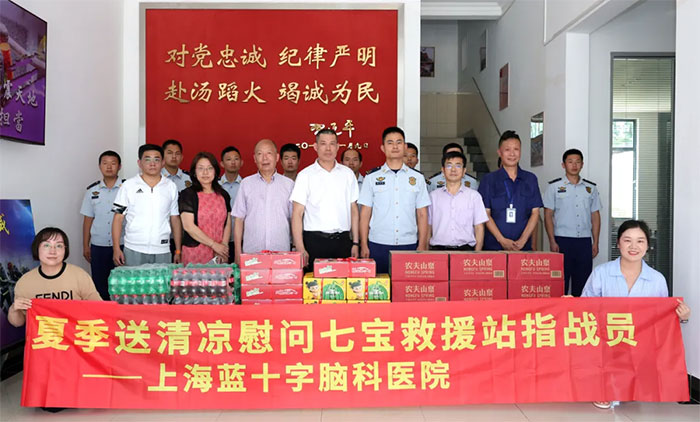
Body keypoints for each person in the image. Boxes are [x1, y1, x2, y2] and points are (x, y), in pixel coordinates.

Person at [580, 219, 691, 409]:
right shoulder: (601, 273)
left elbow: (663, 321)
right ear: (618, 243)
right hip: (607, 343)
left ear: (647, 245)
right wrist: (570, 304)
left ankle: (631, 386)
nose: (633, 246)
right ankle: (605, 386)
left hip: (640, 346)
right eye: (627, 240)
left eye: (640, 241)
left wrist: (682, 317)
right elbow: (584, 310)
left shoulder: (657, 280)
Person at [359, 126, 430, 273]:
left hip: (409, 244)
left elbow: (422, 214)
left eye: (399, 142)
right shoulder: (371, 178)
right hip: (378, 243)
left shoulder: (417, 178)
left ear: (405, 147)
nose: (395, 146)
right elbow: (365, 214)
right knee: (379, 286)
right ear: (383, 148)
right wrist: (364, 244)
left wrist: (422, 244)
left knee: (407, 285)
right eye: (390, 143)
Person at [290, 128, 360, 270]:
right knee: (314, 283)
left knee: (342, 282)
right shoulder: (305, 175)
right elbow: (297, 214)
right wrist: (300, 247)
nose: (328, 149)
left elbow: (353, 210)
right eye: (323, 144)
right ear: (315, 147)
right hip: (314, 242)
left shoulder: (347, 174)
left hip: (342, 241)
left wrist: (355, 243)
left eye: (332, 144)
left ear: (338, 147)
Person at [9, 227, 102, 328]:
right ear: (37, 248)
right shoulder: (25, 282)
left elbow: (99, 309)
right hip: (44, 336)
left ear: (65, 250)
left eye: (59, 246)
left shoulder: (79, 276)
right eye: (46, 245)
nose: (52, 251)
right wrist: (14, 309)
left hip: (75, 334)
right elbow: (18, 323)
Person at [112, 144, 182, 266]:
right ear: (139, 163)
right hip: (133, 248)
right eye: (147, 159)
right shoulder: (128, 186)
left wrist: (178, 250)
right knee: (134, 279)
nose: (152, 164)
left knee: (162, 279)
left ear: (163, 163)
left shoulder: (171, 186)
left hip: (162, 249)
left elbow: (175, 218)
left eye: (156, 159)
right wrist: (116, 248)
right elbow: (118, 218)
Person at [544, 149, 601, 296]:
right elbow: (548, 215)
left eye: (577, 162)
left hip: (584, 241)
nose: (574, 165)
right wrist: (552, 240)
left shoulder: (591, 188)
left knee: (582, 284)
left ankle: (579, 311)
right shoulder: (554, 187)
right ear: (563, 165)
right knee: (560, 283)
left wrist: (595, 242)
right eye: (570, 162)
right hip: (562, 241)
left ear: (582, 164)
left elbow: (595, 216)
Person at [478, 131, 543, 251]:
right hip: (494, 247)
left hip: (522, 247)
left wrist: (523, 240)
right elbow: (485, 214)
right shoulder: (488, 180)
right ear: (499, 152)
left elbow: (535, 213)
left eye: (516, 149)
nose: (512, 154)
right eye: (507, 149)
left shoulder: (530, 179)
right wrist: (501, 240)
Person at [232, 139, 294, 263]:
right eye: (260, 154)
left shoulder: (289, 185)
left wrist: (296, 247)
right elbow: (238, 219)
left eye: (269, 153)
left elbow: (294, 219)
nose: (264, 158)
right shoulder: (246, 184)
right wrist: (238, 252)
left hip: (281, 253)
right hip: (252, 253)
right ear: (255, 158)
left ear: (277, 157)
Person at [80, 150, 124, 300]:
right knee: (100, 286)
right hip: (99, 246)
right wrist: (85, 245)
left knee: (123, 284)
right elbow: (88, 219)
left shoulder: (127, 188)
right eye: (105, 163)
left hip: (123, 244)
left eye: (113, 163)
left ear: (119, 166)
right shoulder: (92, 191)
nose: (109, 167)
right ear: (99, 166)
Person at [428, 151, 488, 251]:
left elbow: (479, 227)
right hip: (438, 250)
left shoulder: (474, 196)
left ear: (464, 171)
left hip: (466, 250)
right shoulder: (433, 196)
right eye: (449, 166)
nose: (453, 169)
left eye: (458, 166)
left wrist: (477, 253)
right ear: (443, 170)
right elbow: (428, 227)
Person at [179, 152, 232, 265]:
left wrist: (224, 246)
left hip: (219, 253)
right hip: (195, 252)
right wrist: (213, 245)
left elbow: (227, 223)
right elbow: (188, 226)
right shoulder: (188, 194)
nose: (205, 172)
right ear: (194, 172)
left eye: (209, 168)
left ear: (215, 171)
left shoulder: (223, 195)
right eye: (201, 168)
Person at [220, 146, 243, 262]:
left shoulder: (246, 185)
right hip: (220, 241)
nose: (233, 162)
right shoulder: (215, 186)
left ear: (241, 162)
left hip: (242, 239)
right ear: (222, 163)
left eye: (236, 159)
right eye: (229, 159)